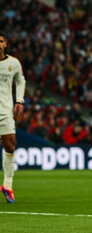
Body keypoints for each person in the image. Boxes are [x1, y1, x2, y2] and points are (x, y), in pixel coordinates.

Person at [0, 33, 26, 203]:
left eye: (1, 41)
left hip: (5, 111)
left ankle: (7, 186)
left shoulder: (13, 63)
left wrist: (19, 101)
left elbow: (21, 81)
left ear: (6, 44)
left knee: (10, 146)